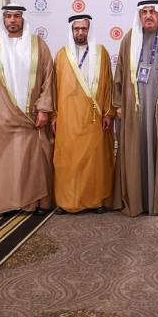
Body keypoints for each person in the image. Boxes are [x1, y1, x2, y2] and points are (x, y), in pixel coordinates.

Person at [0, 4, 55, 216]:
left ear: (23, 19)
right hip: (2, 117)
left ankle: (34, 203)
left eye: (16, 16)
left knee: (32, 161)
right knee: (4, 163)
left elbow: (48, 79)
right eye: (8, 16)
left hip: (31, 117)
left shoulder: (38, 45)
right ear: (3, 20)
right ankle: (5, 204)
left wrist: (44, 109)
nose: (12, 20)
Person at [113, 0, 158, 216]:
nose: (148, 16)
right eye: (144, 12)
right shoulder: (129, 39)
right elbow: (119, 73)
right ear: (139, 16)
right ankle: (137, 200)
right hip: (134, 107)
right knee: (136, 149)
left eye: (152, 12)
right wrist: (118, 104)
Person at [52, 14, 116, 214]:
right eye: (76, 29)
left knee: (94, 160)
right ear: (71, 31)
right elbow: (54, 89)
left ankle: (95, 201)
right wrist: (54, 115)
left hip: (94, 118)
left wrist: (108, 113)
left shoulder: (101, 53)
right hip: (68, 118)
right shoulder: (62, 55)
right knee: (68, 159)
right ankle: (66, 201)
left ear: (89, 30)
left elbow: (108, 85)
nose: (80, 32)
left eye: (84, 29)